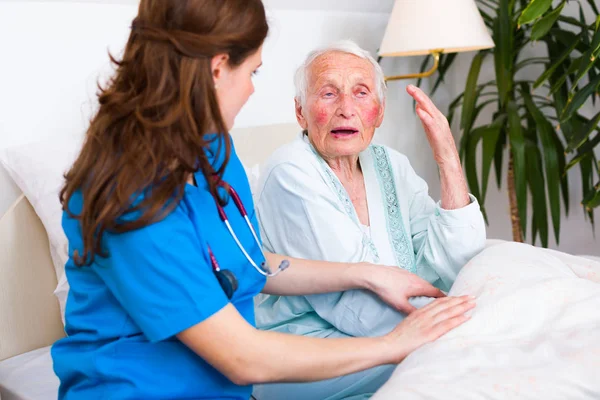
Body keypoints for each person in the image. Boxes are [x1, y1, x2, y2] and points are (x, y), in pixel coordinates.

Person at [51, 2, 476, 399]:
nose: (253, 90)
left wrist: (366, 274)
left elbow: (246, 263)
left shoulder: (211, 148)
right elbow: (242, 358)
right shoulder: (131, 194)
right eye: (253, 72)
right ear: (218, 70)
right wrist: (393, 346)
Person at [253, 41, 486, 399]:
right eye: (328, 93)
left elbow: (456, 261)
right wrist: (462, 331)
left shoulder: (390, 163)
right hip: (309, 349)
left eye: (361, 93)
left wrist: (447, 159)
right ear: (300, 112)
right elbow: (351, 305)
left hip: (395, 333)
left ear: (379, 112)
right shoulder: (290, 172)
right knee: (462, 366)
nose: (346, 109)